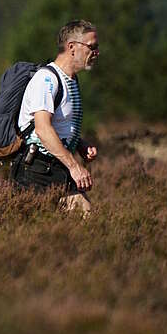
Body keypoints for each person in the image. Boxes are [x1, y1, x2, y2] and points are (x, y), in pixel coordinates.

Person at [11, 20, 99, 213]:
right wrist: (75, 167)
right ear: (72, 47)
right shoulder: (47, 79)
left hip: (57, 166)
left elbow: (59, 126)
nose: (96, 53)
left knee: (86, 221)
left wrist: (80, 144)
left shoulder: (71, 80)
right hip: (36, 170)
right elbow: (43, 129)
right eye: (92, 47)